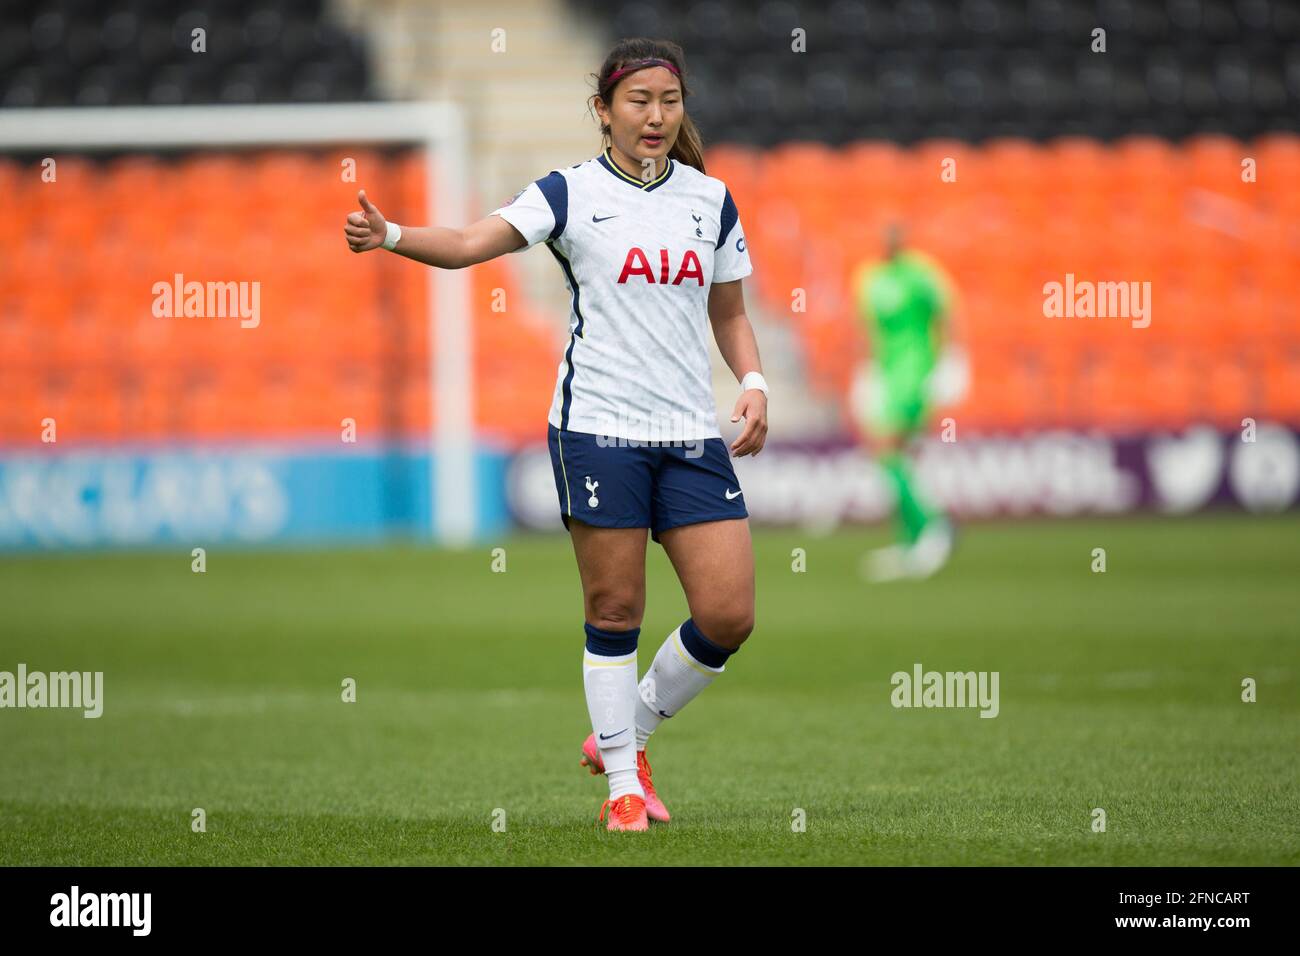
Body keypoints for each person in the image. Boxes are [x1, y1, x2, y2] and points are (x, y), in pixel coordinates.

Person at [343, 38, 768, 831]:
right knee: (615, 609)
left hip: (687, 433)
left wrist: (753, 383)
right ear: (603, 112)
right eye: (637, 102)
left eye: (668, 102)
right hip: (598, 428)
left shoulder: (710, 200)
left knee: (730, 613)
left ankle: (627, 735)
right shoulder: (568, 192)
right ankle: (622, 789)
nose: (655, 117)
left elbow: (731, 312)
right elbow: (473, 244)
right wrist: (393, 234)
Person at [850, 224, 958, 581]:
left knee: (887, 448)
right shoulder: (868, 277)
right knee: (891, 454)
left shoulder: (921, 272)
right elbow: (867, 330)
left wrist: (952, 359)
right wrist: (866, 370)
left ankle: (932, 528)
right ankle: (914, 538)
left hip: (915, 370)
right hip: (886, 373)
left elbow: (948, 314)